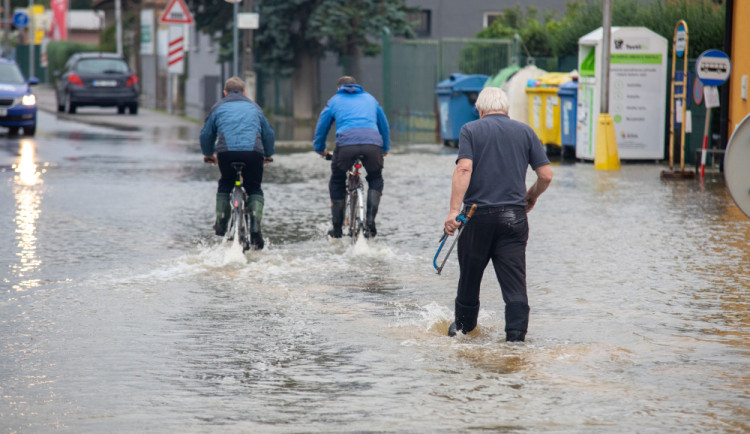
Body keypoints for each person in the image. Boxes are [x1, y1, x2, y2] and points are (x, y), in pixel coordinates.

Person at [444, 87, 553, 342]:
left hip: (476, 216)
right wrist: (531, 196)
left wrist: (452, 212)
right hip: (514, 218)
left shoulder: (470, 130)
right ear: (507, 110)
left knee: (469, 279)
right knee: (515, 284)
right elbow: (546, 175)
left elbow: (463, 169)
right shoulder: (525, 131)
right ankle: (515, 338)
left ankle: (463, 330)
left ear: (480, 110)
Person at [201, 76, 275, 249]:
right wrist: (268, 154)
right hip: (253, 153)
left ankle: (221, 222)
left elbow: (206, 134)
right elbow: (268, 133)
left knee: (226, 182)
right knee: (254, 187)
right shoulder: (254, 107)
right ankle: (255, 226)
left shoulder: (218, 107)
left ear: (224, 92)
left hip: (226, 154)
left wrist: (208, 154)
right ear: (244, 92)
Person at [313, 76, 391, 238]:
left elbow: (322, 125)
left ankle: (337, 229)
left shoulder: (335, 100)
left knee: (337, 179)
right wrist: (384, 148)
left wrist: (320, 148)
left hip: (346, 145)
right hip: (372, 144)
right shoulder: (370, 99)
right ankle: (370, 222)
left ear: (338, 88)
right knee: (375, 177)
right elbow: (383, 124)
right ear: (357, 85)